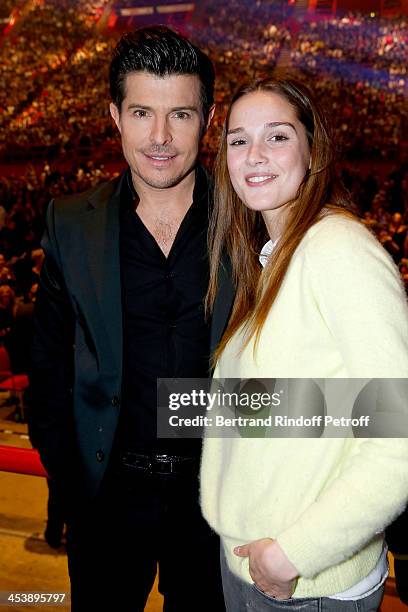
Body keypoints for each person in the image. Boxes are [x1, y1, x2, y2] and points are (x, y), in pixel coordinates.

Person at [29, 26, 228, 612]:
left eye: (181, 114)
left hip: (218, 503)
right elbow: (48, 371)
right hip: (107, 502)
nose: (160, 137)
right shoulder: (70, 223)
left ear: (208, 119)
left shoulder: (251, 224)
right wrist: (72, 488)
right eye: (142, 112)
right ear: (115, 115)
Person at [201, 76, 408, 610]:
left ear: (313, 150)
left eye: (277, 136)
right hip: (252, 565)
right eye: (239, 139)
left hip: (304, 582)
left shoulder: (337, 251)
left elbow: (398, 439)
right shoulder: (271, 257)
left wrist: (292, 553)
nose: (254, 155)